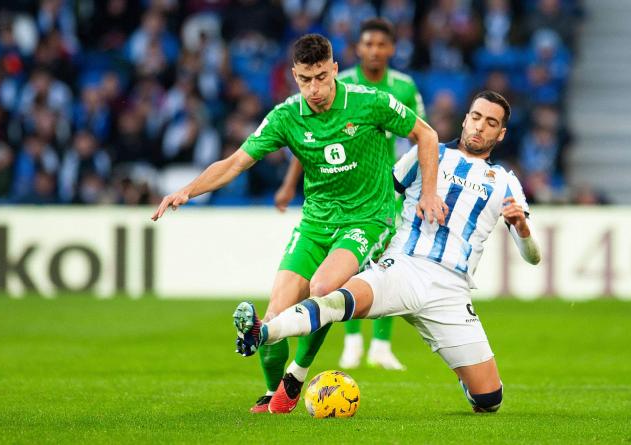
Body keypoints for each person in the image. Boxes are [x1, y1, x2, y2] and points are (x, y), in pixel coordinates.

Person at [152, 34, 446, 414]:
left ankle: (297, 374)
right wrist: (187, 191)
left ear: (335, 69)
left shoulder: (368, 102)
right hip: (315, 223)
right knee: (274, 318)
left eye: (322, 77)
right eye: (306, 79)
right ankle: (276, 394)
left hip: (367, 218)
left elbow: (427, 134)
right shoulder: (286, 116)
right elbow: (236, 162)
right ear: (294, 76)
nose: (315, 88)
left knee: (323, 287)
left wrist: (428, 194)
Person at [234, 91, 542, 413]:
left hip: (451, 290)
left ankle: (468, 378)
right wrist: (372, 240)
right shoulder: (427, 153)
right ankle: (263, 332)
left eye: (491, 123)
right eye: (476, 117)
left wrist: (522, 230)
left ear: (501, 133)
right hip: (402, 267)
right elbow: (383, 197)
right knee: (336, 299)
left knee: (489, 400)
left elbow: (532, 257)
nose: (480, 127)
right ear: (466, 118)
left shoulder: (505, 183)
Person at [274, 18, 425, 371]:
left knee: (385, 264)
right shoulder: (339, 84)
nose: (374, 50)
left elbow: (421, 136)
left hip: (384, 189)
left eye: (380, 45)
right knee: (345, 268)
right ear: (358, 49)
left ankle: (382, 346)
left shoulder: (403, 87)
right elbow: (309, 146)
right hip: (339, 189)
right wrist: (288, 183)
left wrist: (420, 189)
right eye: (367, 44)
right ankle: (354, 341)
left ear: (391, 49)